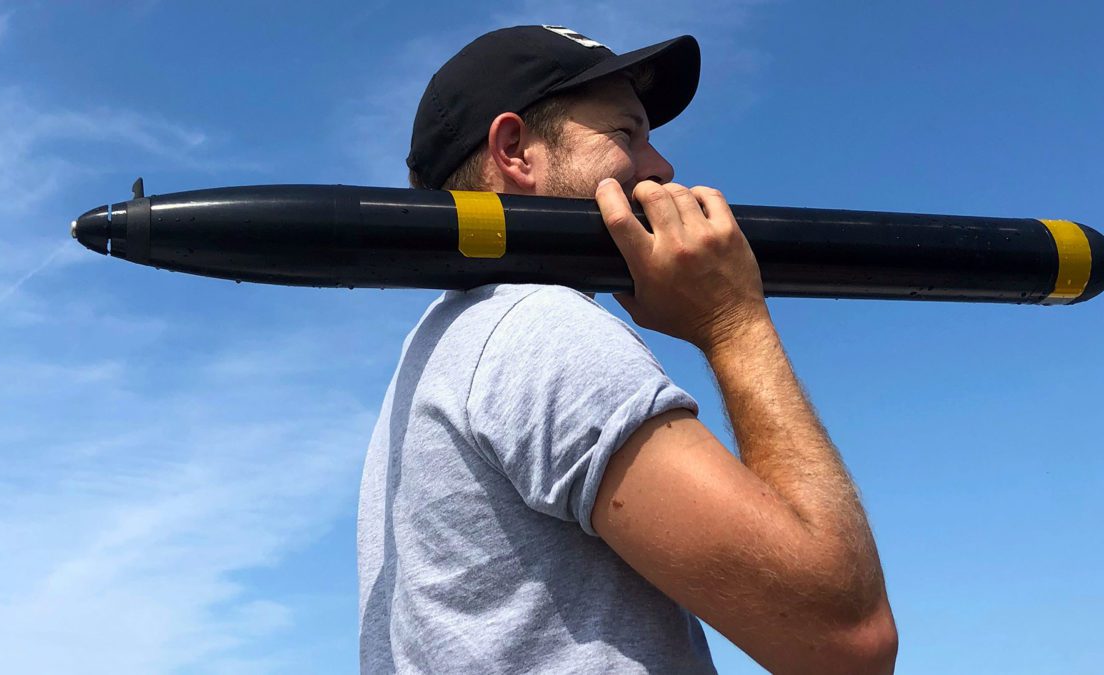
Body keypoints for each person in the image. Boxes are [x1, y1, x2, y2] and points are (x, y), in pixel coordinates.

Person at [358, 25, 898, 674]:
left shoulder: (446, 349)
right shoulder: (538, 326)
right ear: (516, 151)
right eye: (625, 134)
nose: (663, 168)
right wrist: (733, 323)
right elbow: (845, 638)